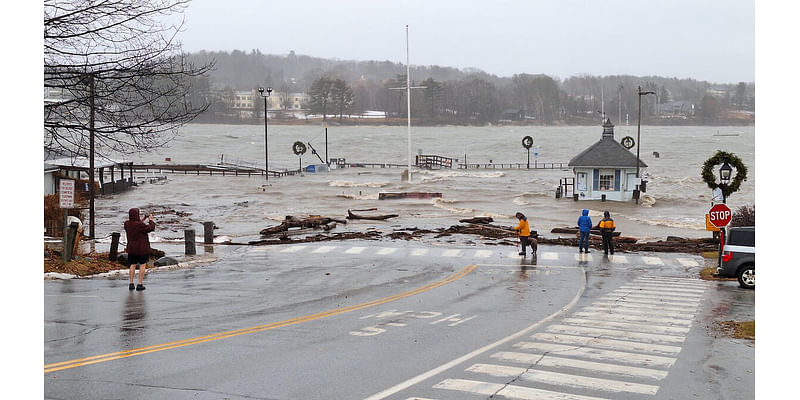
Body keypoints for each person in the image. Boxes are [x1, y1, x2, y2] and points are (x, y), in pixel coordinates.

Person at [124, 208, 155, 291]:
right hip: (142, 249)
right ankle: (140, 284)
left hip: (132, 248)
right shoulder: (140, 226)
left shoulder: (127, 224)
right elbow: (150, 228)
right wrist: (151, 220)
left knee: (132, 265)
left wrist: (144, 218)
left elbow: (137, 225)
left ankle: (131, 283)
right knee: (142, 265)